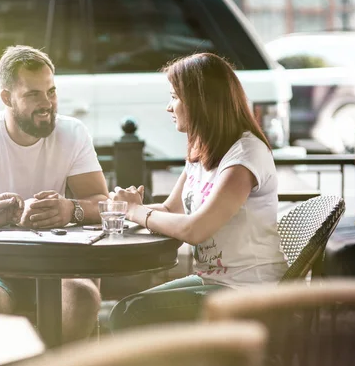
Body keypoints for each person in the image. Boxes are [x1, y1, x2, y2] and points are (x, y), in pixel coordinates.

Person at [108, 53, 288, 330]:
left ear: (201, 101)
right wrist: (120, 208)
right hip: (214, 282)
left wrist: (136, 211)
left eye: (175, 97)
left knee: (131, 314)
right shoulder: (203, 150)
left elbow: (196, 229)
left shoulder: (245, 155)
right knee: (125, 307)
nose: (169, 107)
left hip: (248, 290)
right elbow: (170, 210)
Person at [0, 45, 109, 342]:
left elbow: (103, 203)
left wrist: (71, 209)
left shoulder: (73, 132)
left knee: (82, 299)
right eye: (33, 94)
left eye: (51, 92)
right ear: (6, 97)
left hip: (54, 262)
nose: (47, 103)